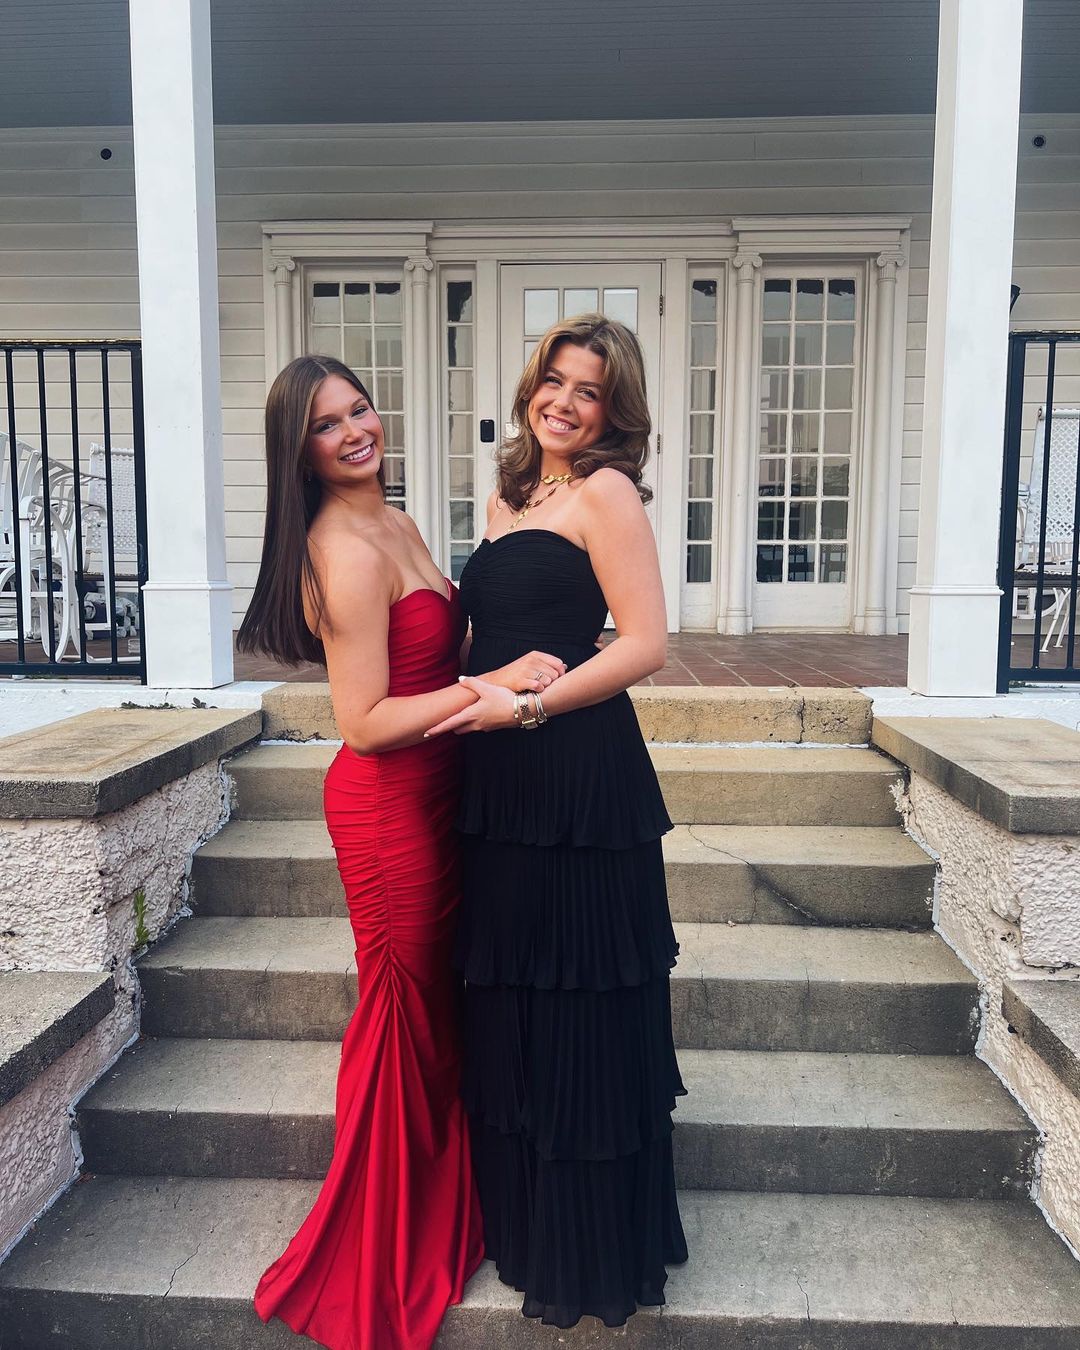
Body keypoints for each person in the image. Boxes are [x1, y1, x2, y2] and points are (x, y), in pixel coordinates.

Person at [237, 354, 566, 1350]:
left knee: (440, 1014)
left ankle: (445, 1199)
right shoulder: (340, 549)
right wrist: (493, 687)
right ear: (299, 450)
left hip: (444, 795)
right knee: (403, 1017)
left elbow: (439, 655)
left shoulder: (399, 522)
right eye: (326, 424)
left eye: (359, 408)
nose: (354, 432)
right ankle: (382, 1236)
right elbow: (367, 723)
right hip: (388, 811)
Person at [426, 314, 688, 1328]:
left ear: (614, 411)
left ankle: (589, 1248)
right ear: (531, 385)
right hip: (499, 787)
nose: (565, 403)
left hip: (578, 779)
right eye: (555, 381)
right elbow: (489, 639)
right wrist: (470, 693)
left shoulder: (605, 492)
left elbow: (645, 644)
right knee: (514, 997)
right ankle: (527, 1225)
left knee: (579, 1002)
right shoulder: (506, 498)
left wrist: (527, 708)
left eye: (590, 391)